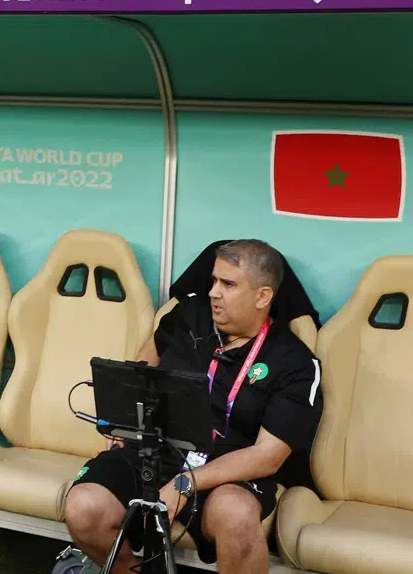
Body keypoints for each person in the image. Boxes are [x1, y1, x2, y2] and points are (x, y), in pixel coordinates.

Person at [65, 240, 323, 574]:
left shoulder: (295, 363)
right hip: (157, 449)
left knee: (236, 516)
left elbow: (268, 455)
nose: (214, 292)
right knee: (84, 507)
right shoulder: (189, 316)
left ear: (263, 296)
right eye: (214, 281)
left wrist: (185, 483)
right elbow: (148, 356)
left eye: (228, 285)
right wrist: (127, 415)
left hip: (229, 469)